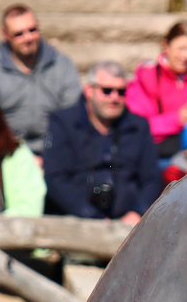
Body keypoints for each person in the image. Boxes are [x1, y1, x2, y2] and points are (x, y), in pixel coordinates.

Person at [43, 62, 163, 225]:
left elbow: (151, 178)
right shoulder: (63, 123)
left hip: (130, 225)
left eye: (121, 92)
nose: (114, 98)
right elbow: (56, 179)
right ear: (89, 91)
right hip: (76, 221)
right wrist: (90, 216)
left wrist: (138, 211)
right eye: (106, 91)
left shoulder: (139, 126)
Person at [0, 5, 83, 154]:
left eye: (32, 30)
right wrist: (22, 158)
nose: (28, 38)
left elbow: (71, 112)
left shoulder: (62, 65)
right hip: (6, 150)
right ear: (5, 34)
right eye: (19, 34)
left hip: (57, 148)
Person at [126, 21, 187, 160]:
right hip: (151, 152)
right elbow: (137, 125)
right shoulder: (146, 77)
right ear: (166, 46)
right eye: (181, 48)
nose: (186, 56)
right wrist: (177, 119)